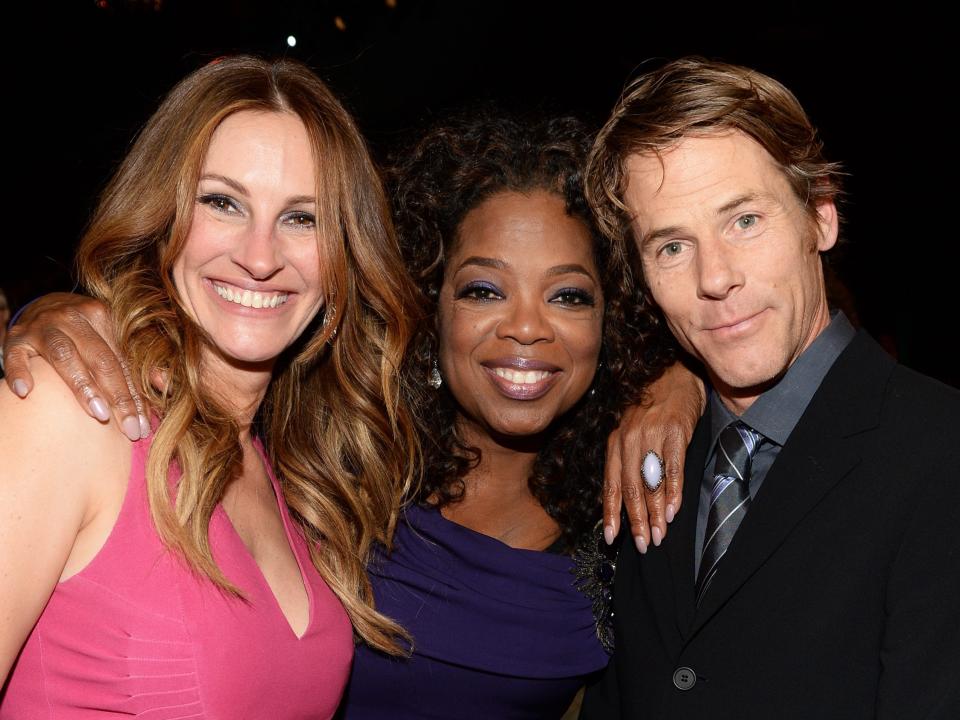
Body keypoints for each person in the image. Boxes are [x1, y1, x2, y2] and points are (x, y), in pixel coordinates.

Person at [0, 55, 421, 717]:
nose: (260, 256)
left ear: (342, 260)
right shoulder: (73, 411)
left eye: (302, 218)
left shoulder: (293, 473)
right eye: (223, 202)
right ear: (163, 220)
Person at [579, 57, 960, 719]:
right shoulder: (647, 448)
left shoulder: (939, 451)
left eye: (744, 221)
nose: (716, 277)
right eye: (672, 246)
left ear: (821, 219)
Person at [339, 110, 687, 719]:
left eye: (568, 296)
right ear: (431, 303)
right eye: (484, 290)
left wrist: (687, 380)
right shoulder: (337, 463)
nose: (526, 326)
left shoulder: (630, 516)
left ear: (611, 321)